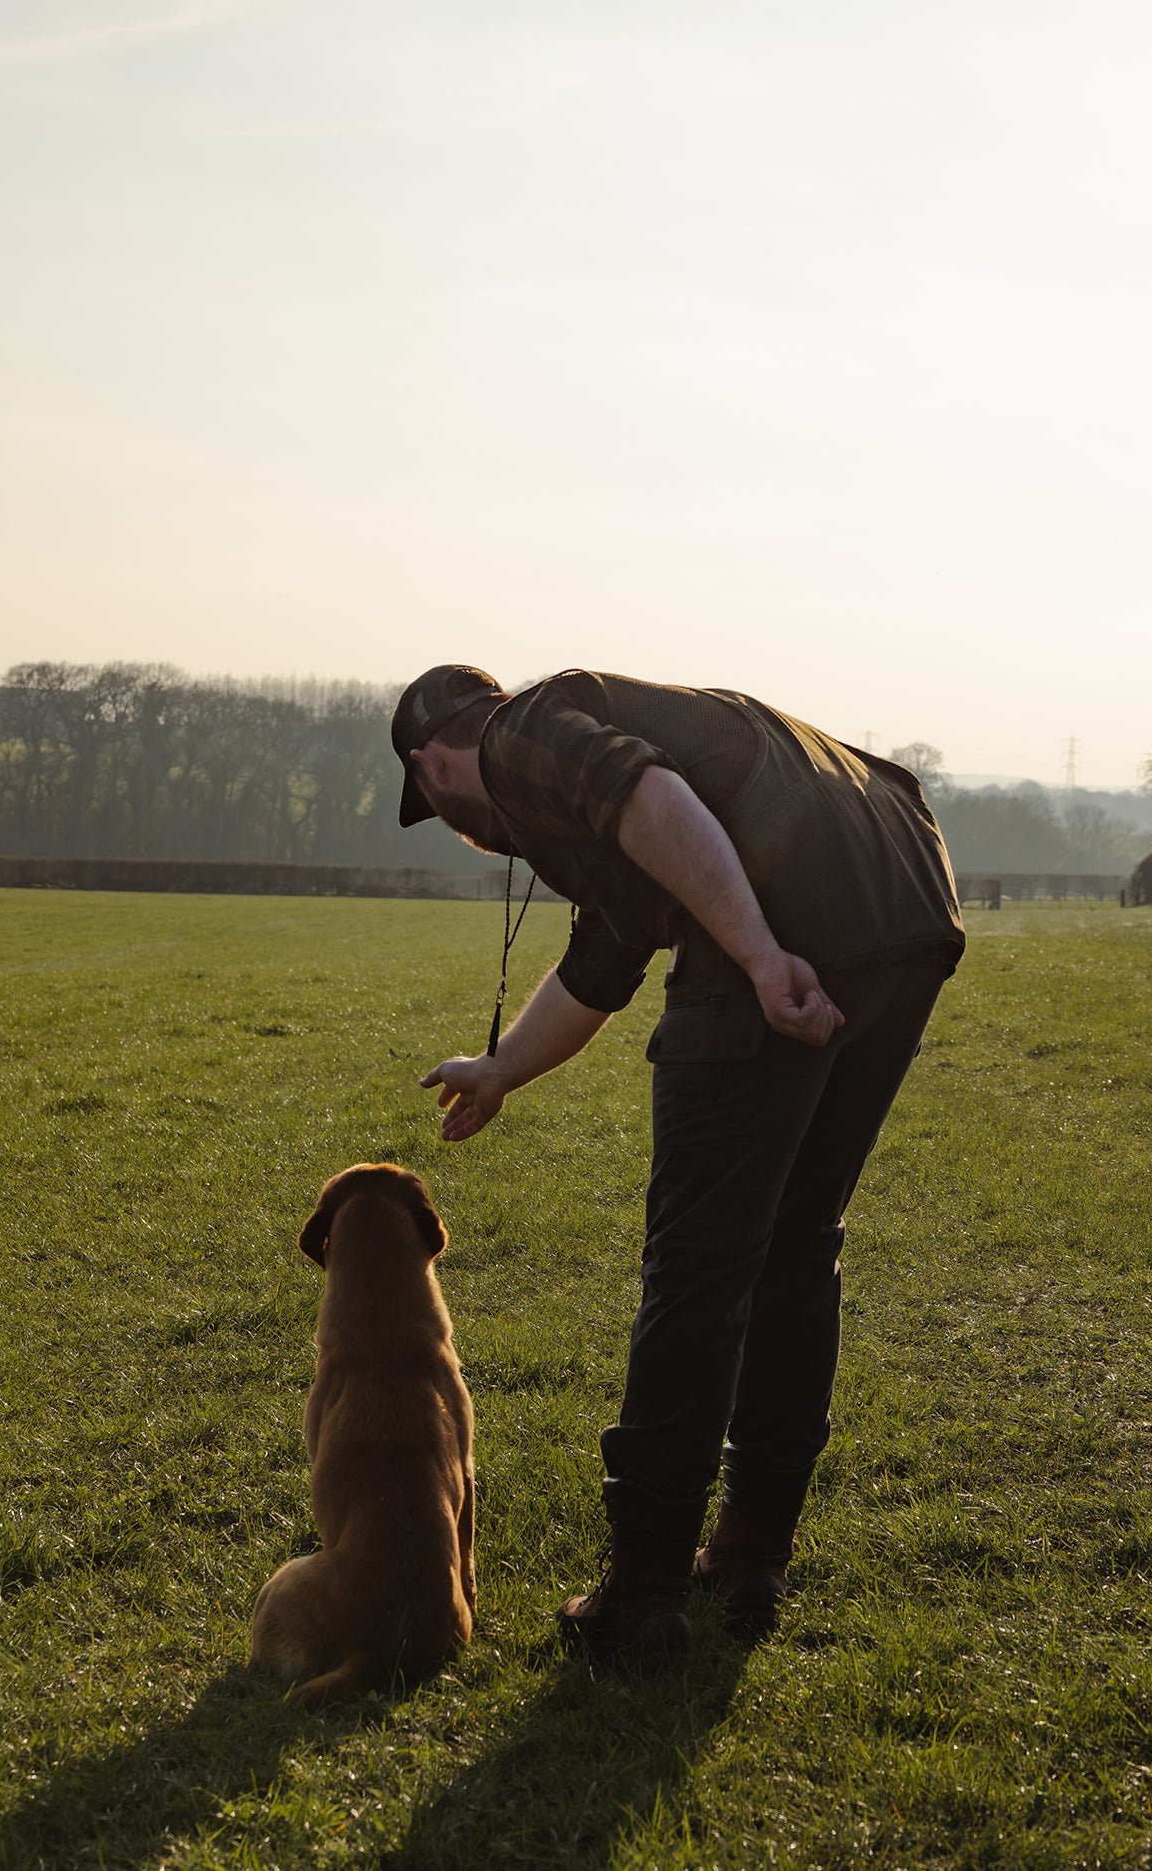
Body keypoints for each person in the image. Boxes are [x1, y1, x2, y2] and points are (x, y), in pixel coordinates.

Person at [390, 663, 964, 1656]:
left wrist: (756, 954)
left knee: (698, 1263)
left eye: (432, 804)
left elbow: (653, 796)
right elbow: (597, 965)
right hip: (903, 892)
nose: (458, 822)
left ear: (431, 759)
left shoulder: (519, 732)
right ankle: (750, 1554)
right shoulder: (605, 820)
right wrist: (499, 1068)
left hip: (790, 917)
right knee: (793, 1244)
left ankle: (645, 1583)